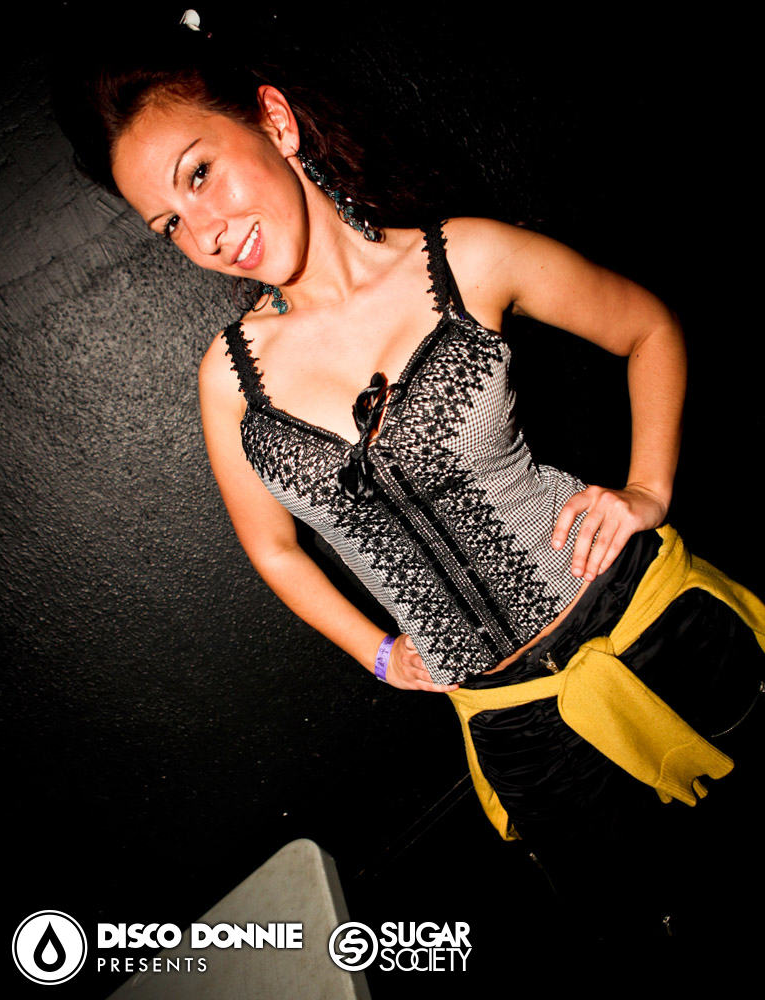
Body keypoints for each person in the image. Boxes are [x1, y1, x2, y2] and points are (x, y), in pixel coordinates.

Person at [54, 13, 765, 944]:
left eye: (200, 173)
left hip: (655, 631)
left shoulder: (465, 259)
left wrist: (647, 491)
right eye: (171, 224)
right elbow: (275, 551)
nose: (208, 231)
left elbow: (648, 329)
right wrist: (380, 653)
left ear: (274, 121)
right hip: (515, 726)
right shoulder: (231, 380)